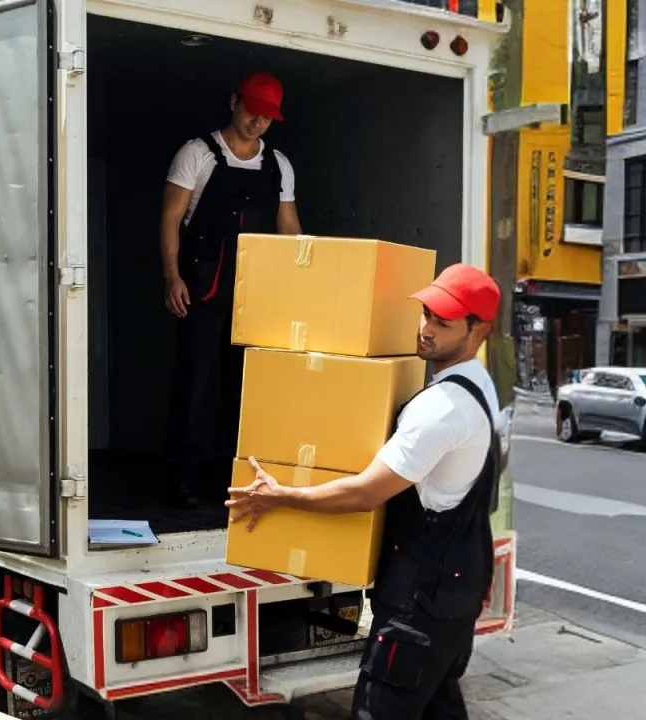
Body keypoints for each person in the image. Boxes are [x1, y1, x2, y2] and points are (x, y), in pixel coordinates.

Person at [226, 263, 503, 719]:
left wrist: (279, 495)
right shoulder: (481, 388)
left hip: (420, 604)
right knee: (438, 708)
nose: (426, 329)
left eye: (443, 322)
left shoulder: (441, 409)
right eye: (426, 314)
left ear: (479, 331)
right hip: (455, 595)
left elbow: (365, 493)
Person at [160, 71, 302, 508]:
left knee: (246, 388)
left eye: (267, 117)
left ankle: (236, 477)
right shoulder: (197, 154)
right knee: (196, 383)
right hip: (202, 290)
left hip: (257, 298)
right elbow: (170, 219)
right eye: (252, 111)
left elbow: (289, 229)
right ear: (234, 101)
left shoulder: (278, 164)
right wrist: (172, 277)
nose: (258, 122)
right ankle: (182, 478)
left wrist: (303, 284)